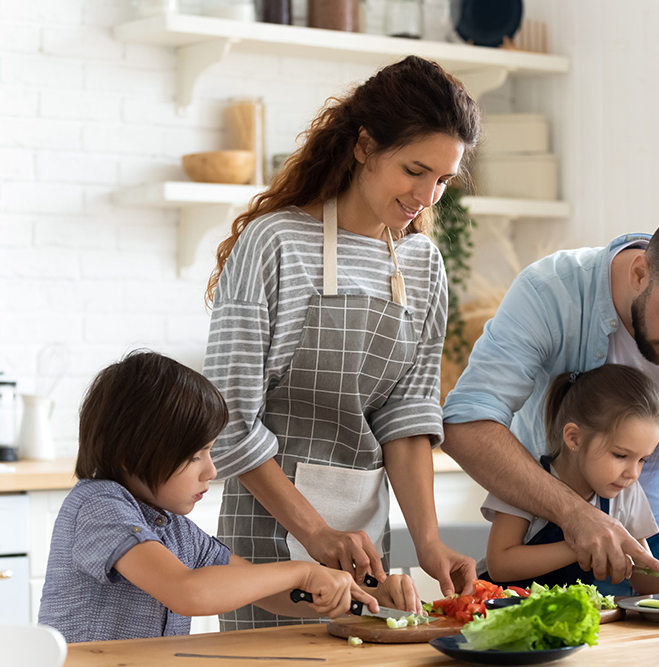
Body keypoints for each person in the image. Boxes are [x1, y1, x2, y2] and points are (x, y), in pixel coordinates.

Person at [203, 55, 481, 629]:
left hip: (367, 551)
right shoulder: (275, 243)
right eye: (414, 169)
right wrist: (315, 532)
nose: (427, 197)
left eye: (443, 180)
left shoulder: (423, 264)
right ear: (363, 146)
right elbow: (230, 419)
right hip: (270, 541)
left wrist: (428, 543)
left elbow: (405, 415)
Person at [443, 207, 659, 592]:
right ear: (640, 272)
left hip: (658, 537)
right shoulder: (550, 291)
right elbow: (465, 423)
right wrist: (577, 516)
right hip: (545, 514)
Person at [38, 351, 414, 643]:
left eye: (209, 452)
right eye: (193, 456)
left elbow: (263, 590)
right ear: (130, 455)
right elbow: (187, 593)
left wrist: (368, 594)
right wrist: (304, 569)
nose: (212, 471)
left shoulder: (177, 532)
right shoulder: (98, 506)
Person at [478, 364, 659, 594]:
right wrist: (583, 544)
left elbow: (648, 583)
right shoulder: (524, 480)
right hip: (496, 610)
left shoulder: (626, 492)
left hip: (562, 616)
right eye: (620, 455)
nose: (632, 473)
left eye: (642, 460)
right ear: (574, 438)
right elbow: (500, 565)